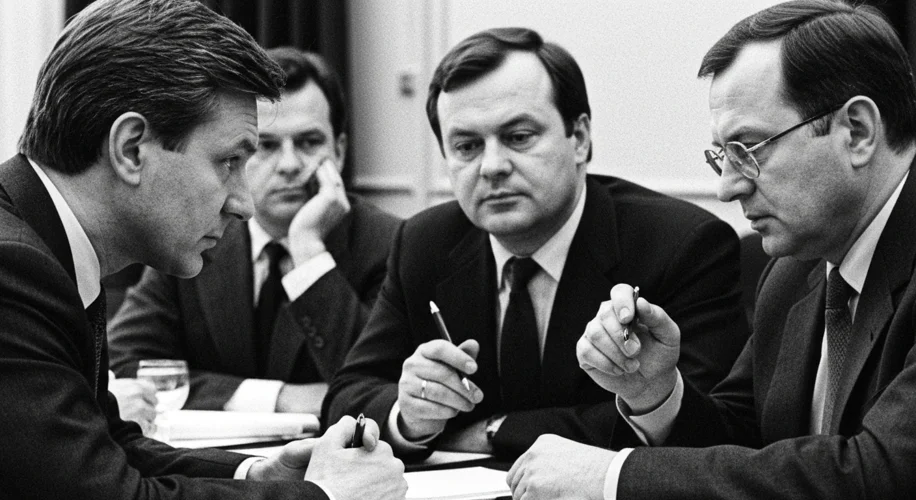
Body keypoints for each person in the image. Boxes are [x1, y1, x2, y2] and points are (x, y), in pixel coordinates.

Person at [507, 1, 916, 498]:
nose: (726, 188)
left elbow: (883, 475)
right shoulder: (790, 274)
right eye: (722, 156)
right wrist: (654, 394)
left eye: (748, 149)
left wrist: (611, 478)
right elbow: (744, 446)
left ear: (858, 132)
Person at [0, 0, 407, 498]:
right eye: (229, 161)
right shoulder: (13, 271)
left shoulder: (45, 246)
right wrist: (323, 496)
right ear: (131, 149)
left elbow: (112, 444)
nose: (244, 203)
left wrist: (258, 475)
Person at [323, 27, 748, 460]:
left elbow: (701, 422)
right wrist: (408, 416)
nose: (492, 166)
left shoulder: (681, 245)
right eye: (467, 146)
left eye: (518, 137)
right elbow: (348, 394)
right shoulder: (425, 242)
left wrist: (495, 431)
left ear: (579, 138)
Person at [107, 47, 401, 416]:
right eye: (267, 146)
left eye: (309, 142)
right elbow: (125, 365)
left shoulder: (391, 245)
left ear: (339, 152)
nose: (290, 165)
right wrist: (278, 398)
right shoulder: (195, 237)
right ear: (237, 155)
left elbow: (383, 384)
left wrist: (308, 250)